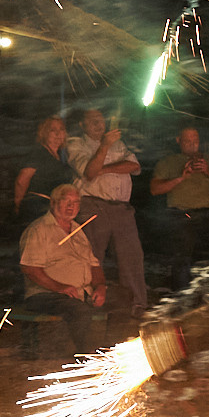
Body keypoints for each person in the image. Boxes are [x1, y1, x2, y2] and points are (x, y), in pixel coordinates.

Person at [64, 106, 147, 316]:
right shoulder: (76, 144)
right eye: (92, 121)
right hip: (93, 205)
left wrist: (104, 168)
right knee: (91, 256)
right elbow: (89, 173)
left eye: (100, 120)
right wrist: (104, 147)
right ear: (82, 124)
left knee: (131, 256)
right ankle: (86, 302)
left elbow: (133, 166)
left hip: (121, 207)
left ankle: (136, 304)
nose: (98, 124)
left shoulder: (118, 144)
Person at [18, 184, 107, 358]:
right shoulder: (39, 230)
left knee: (124, 298)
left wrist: (101, 286)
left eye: (76, 202)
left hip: (82, 292)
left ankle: (114, 351)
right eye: (66, 201)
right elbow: (30, 268)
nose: (71, 206)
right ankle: (85, 356)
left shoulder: (78, 230)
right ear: (53, 203)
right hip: (46, 295)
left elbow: (94, 265)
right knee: (78, 310)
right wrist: (60, 287)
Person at [148, 127, 209, 292]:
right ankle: (182, 296)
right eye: (187, 141)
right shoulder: (168, 161)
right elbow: (155, 189)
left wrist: (208, 171)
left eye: (195, 141)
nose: (192, 145)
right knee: (182, 259)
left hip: (207, 213)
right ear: (178, 140)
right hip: (181, 214)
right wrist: (181, 177)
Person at [10, 116, 76, 226]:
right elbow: (21, 180)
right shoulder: (38, 153)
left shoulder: (60, 157)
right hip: (38, 209)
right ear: (44, 133)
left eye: (61, 129)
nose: (58, 134)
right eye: (52, 130)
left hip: (53, 211)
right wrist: (18, 204)